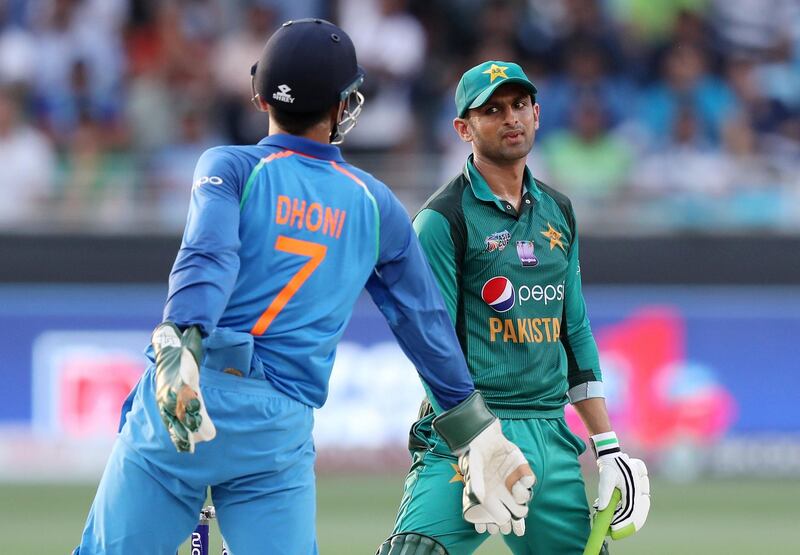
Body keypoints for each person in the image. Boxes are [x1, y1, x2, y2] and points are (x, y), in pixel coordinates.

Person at [73, 22, 535, 555]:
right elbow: (422, 321)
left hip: (188, 394)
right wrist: (474, 427)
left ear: (259, 93)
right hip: (275, 429)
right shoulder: (375, 202)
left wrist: (183, 338)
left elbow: (209, 255)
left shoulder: (229, 167)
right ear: (342, 107)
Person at [377, 61, 651, 555]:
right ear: (463, 128)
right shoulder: (443, 220)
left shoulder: (559, 211)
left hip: (550, 434)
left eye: (520, 105)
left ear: (538, 114)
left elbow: (575, 331)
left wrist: (607, 446)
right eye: (492, 110)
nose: (511, 118)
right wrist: (474, 438)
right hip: (468, 435)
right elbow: (430, 346)